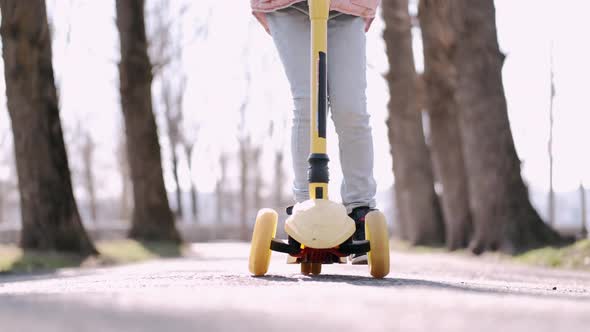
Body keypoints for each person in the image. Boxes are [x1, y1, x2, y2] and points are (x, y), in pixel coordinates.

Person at [250, 0, 380, 264]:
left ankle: (360, 211)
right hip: (288, 6)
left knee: (351, 108)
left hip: (347, 7)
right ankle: (305, 206)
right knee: (308, 102)